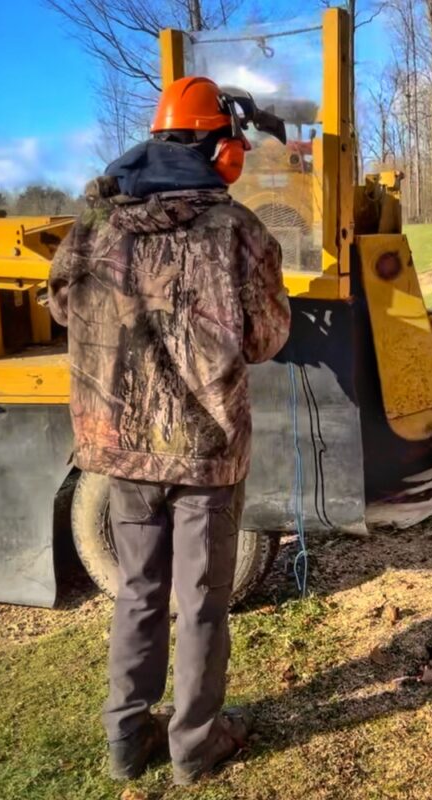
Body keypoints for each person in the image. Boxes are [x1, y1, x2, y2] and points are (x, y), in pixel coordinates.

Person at [48, 76, 291, 785]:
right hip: (206, 456)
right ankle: (193, 746)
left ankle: (127, 740)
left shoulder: (92, 226)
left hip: (121, 451)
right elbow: (267, 336)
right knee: (203, 601)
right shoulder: (237, 230)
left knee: (139, 591)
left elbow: (64, 307)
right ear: (217, 148)